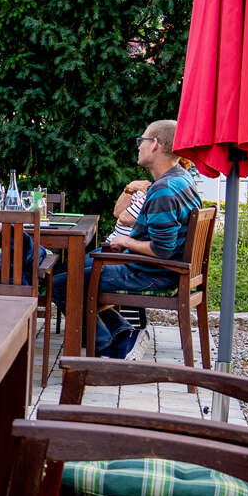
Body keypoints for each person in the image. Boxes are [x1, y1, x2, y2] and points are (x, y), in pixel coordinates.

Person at [53, 120, 201, 357]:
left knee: (62, 285)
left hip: (152, 273)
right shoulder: (182, 179)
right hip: (158, 268)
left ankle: (114, 348)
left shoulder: (165, 190)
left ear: (155, 144)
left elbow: (162, 250)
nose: (138, 147)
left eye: (140, 141)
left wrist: (126, 243)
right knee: (72, 271)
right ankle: (124, 334)